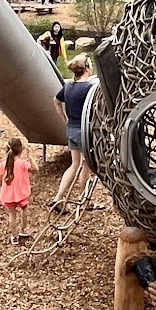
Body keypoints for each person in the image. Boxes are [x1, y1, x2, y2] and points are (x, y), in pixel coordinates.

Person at [49, 56, 96, 211]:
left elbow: (56, 100)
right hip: (84, 131)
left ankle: (58, 198)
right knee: (86, 166)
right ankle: (85, 200)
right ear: (87, 68)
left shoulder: (69, 86)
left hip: (71, 129)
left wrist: (65, 119)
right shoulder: (89, 88)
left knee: (74, 164)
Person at [0, 136, 33, 243]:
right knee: (24, 209)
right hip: (21, 193)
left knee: (12, 215)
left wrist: (2, 187)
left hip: (8, 194)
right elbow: (35, 168)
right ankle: (24, 229)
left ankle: (14, 237)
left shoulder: (3, 164)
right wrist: (30, 157)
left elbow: (0, 178)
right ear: (21, 150)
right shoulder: (22, 163)